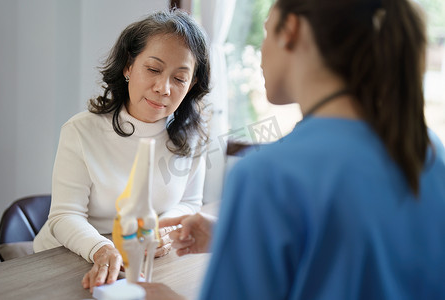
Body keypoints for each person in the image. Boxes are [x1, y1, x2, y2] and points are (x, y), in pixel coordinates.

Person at [138, 0, 445, 299]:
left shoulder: (268, 175)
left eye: (267, 30)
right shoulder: (428, 151)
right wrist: (240, 236)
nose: (261, 51)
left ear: (291, 30)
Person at [32, 9, 211, 293]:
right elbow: (65, 215)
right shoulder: (81, 131)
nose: (163, 88)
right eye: (153, 69)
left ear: (191, 86)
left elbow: (190, 202)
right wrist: (102, 249)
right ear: (128, 66)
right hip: (69, 258)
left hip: (142, 261)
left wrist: (162, 230)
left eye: (179, 78)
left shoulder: (192, 138)